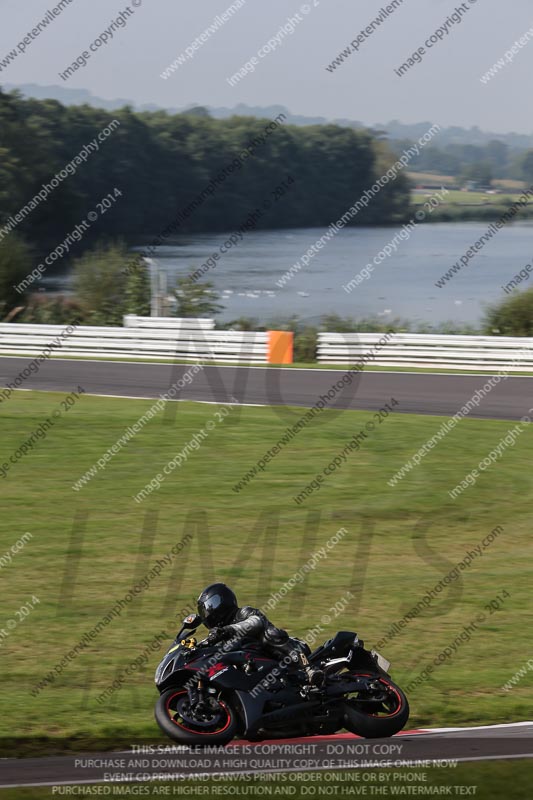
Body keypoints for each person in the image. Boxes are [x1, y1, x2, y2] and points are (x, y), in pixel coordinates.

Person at [196, 582, 324, 690]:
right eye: (204, 611)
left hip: (286, 651)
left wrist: (228, 630)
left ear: (221, 602)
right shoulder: (220, 635)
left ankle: (309, 669)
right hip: (258, 670)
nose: (206, 614)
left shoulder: (243, 613)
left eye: (207, 608)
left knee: (271, 634)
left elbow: (256, 622)